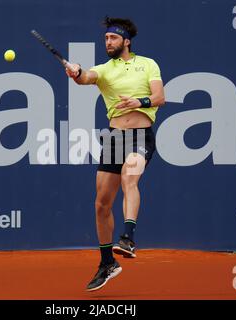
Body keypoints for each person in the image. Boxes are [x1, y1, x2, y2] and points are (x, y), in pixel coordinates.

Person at [65, 16, 165, 291]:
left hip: (140, 135)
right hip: (114, 138)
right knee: (101, 204)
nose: (108, 42)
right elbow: (87, 77)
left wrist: (139, 101)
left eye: (113, 38)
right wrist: (76, 71)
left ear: (126, 41)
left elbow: (159, 97)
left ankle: (128, 237)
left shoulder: (147, 64)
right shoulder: (105, 69)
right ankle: (107, 262)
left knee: (129, 176)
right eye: (106, 38)